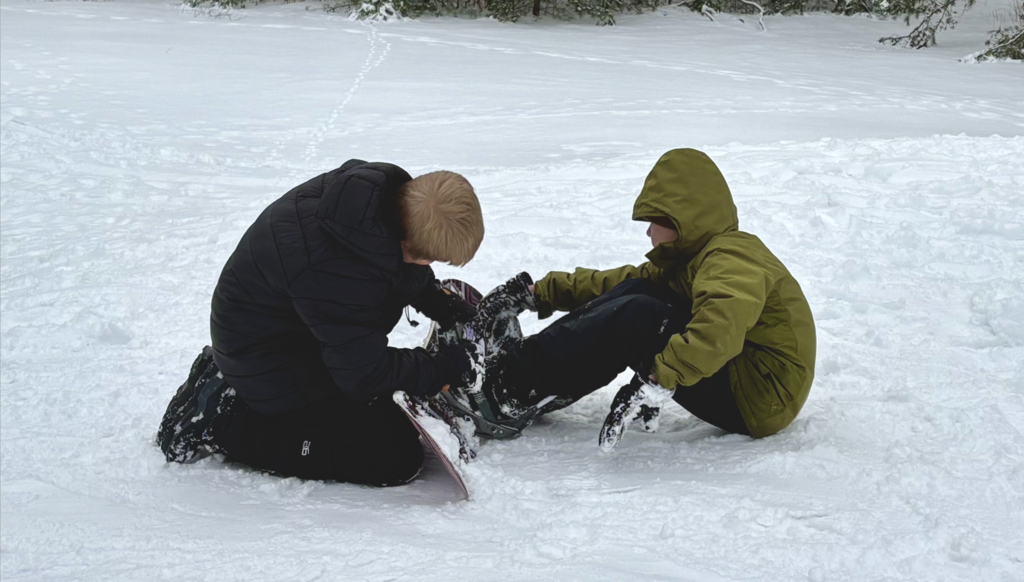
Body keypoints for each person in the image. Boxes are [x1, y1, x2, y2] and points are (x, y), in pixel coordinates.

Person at [157, 160, 485, 486]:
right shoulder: (335, 270)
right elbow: (364, 375)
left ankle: (228, 386)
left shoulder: (374, 202)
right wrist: (441, 368)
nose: (430, 265)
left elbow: (392, 264)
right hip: (266, 362)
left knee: (384, 403)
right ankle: (223, 420)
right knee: (392, 457)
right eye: (431, 258)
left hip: (282, 332)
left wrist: (440, 304)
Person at [472, 148, 816, 447]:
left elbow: (720, 327)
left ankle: (505, 393)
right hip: (746, 376)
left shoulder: (730, 257)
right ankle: (531, 375)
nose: (649, 232)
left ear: (683, 220)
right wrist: (540, 293)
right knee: (637, 292)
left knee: (639, 317)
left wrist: (658, 378)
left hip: (760, 397)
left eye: (654, 221)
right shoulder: (697, 255)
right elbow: (620, 283)